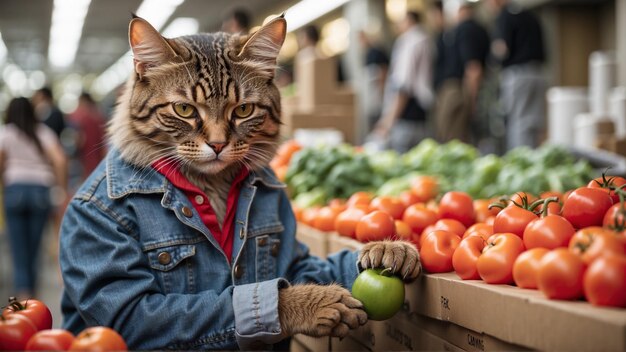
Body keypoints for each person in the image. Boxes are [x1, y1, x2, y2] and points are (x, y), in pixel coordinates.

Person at [0, 97, 68, 299]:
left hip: (15, 190)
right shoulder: (43, 132)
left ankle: (24, 293)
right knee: (35, 246)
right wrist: (60, 189)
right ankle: (33, 296)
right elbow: (60, 160)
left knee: (18, 246)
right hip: (40, 191)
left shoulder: (6, 133)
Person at [488, 0, 547, 150]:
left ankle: (520, 161)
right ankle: (535, 160)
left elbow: (502, 48)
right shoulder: (530, 15)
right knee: (535, 124)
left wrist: (491, 59)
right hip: (539, 73)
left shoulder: (505, 15)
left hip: (518, 75)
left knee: (518, 123)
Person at [374, 11, 433, 153]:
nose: (398, 25)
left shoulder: (410, 41)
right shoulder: (425, 39)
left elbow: (404, 85)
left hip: (406, 110)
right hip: (420, 110)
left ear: (409, 21)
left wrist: (388, 121)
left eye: (401, 21)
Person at [433, 2, 490, 143]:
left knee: (452, 140)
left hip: (457, 90)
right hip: (460, 88)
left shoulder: (466, 29)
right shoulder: (478, 28)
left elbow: (473, 68)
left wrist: (472, 100)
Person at [67, 92, 107, 179]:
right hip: (99, 157)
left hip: (86, 157)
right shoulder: (98, 115)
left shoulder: (80, 116)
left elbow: (78, 139)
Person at [359, 30, 389, 129]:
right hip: (370, 100)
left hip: (378, 99)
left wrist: (382, 95)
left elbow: (382, 74)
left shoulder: (377, 52)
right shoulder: (367, 54)